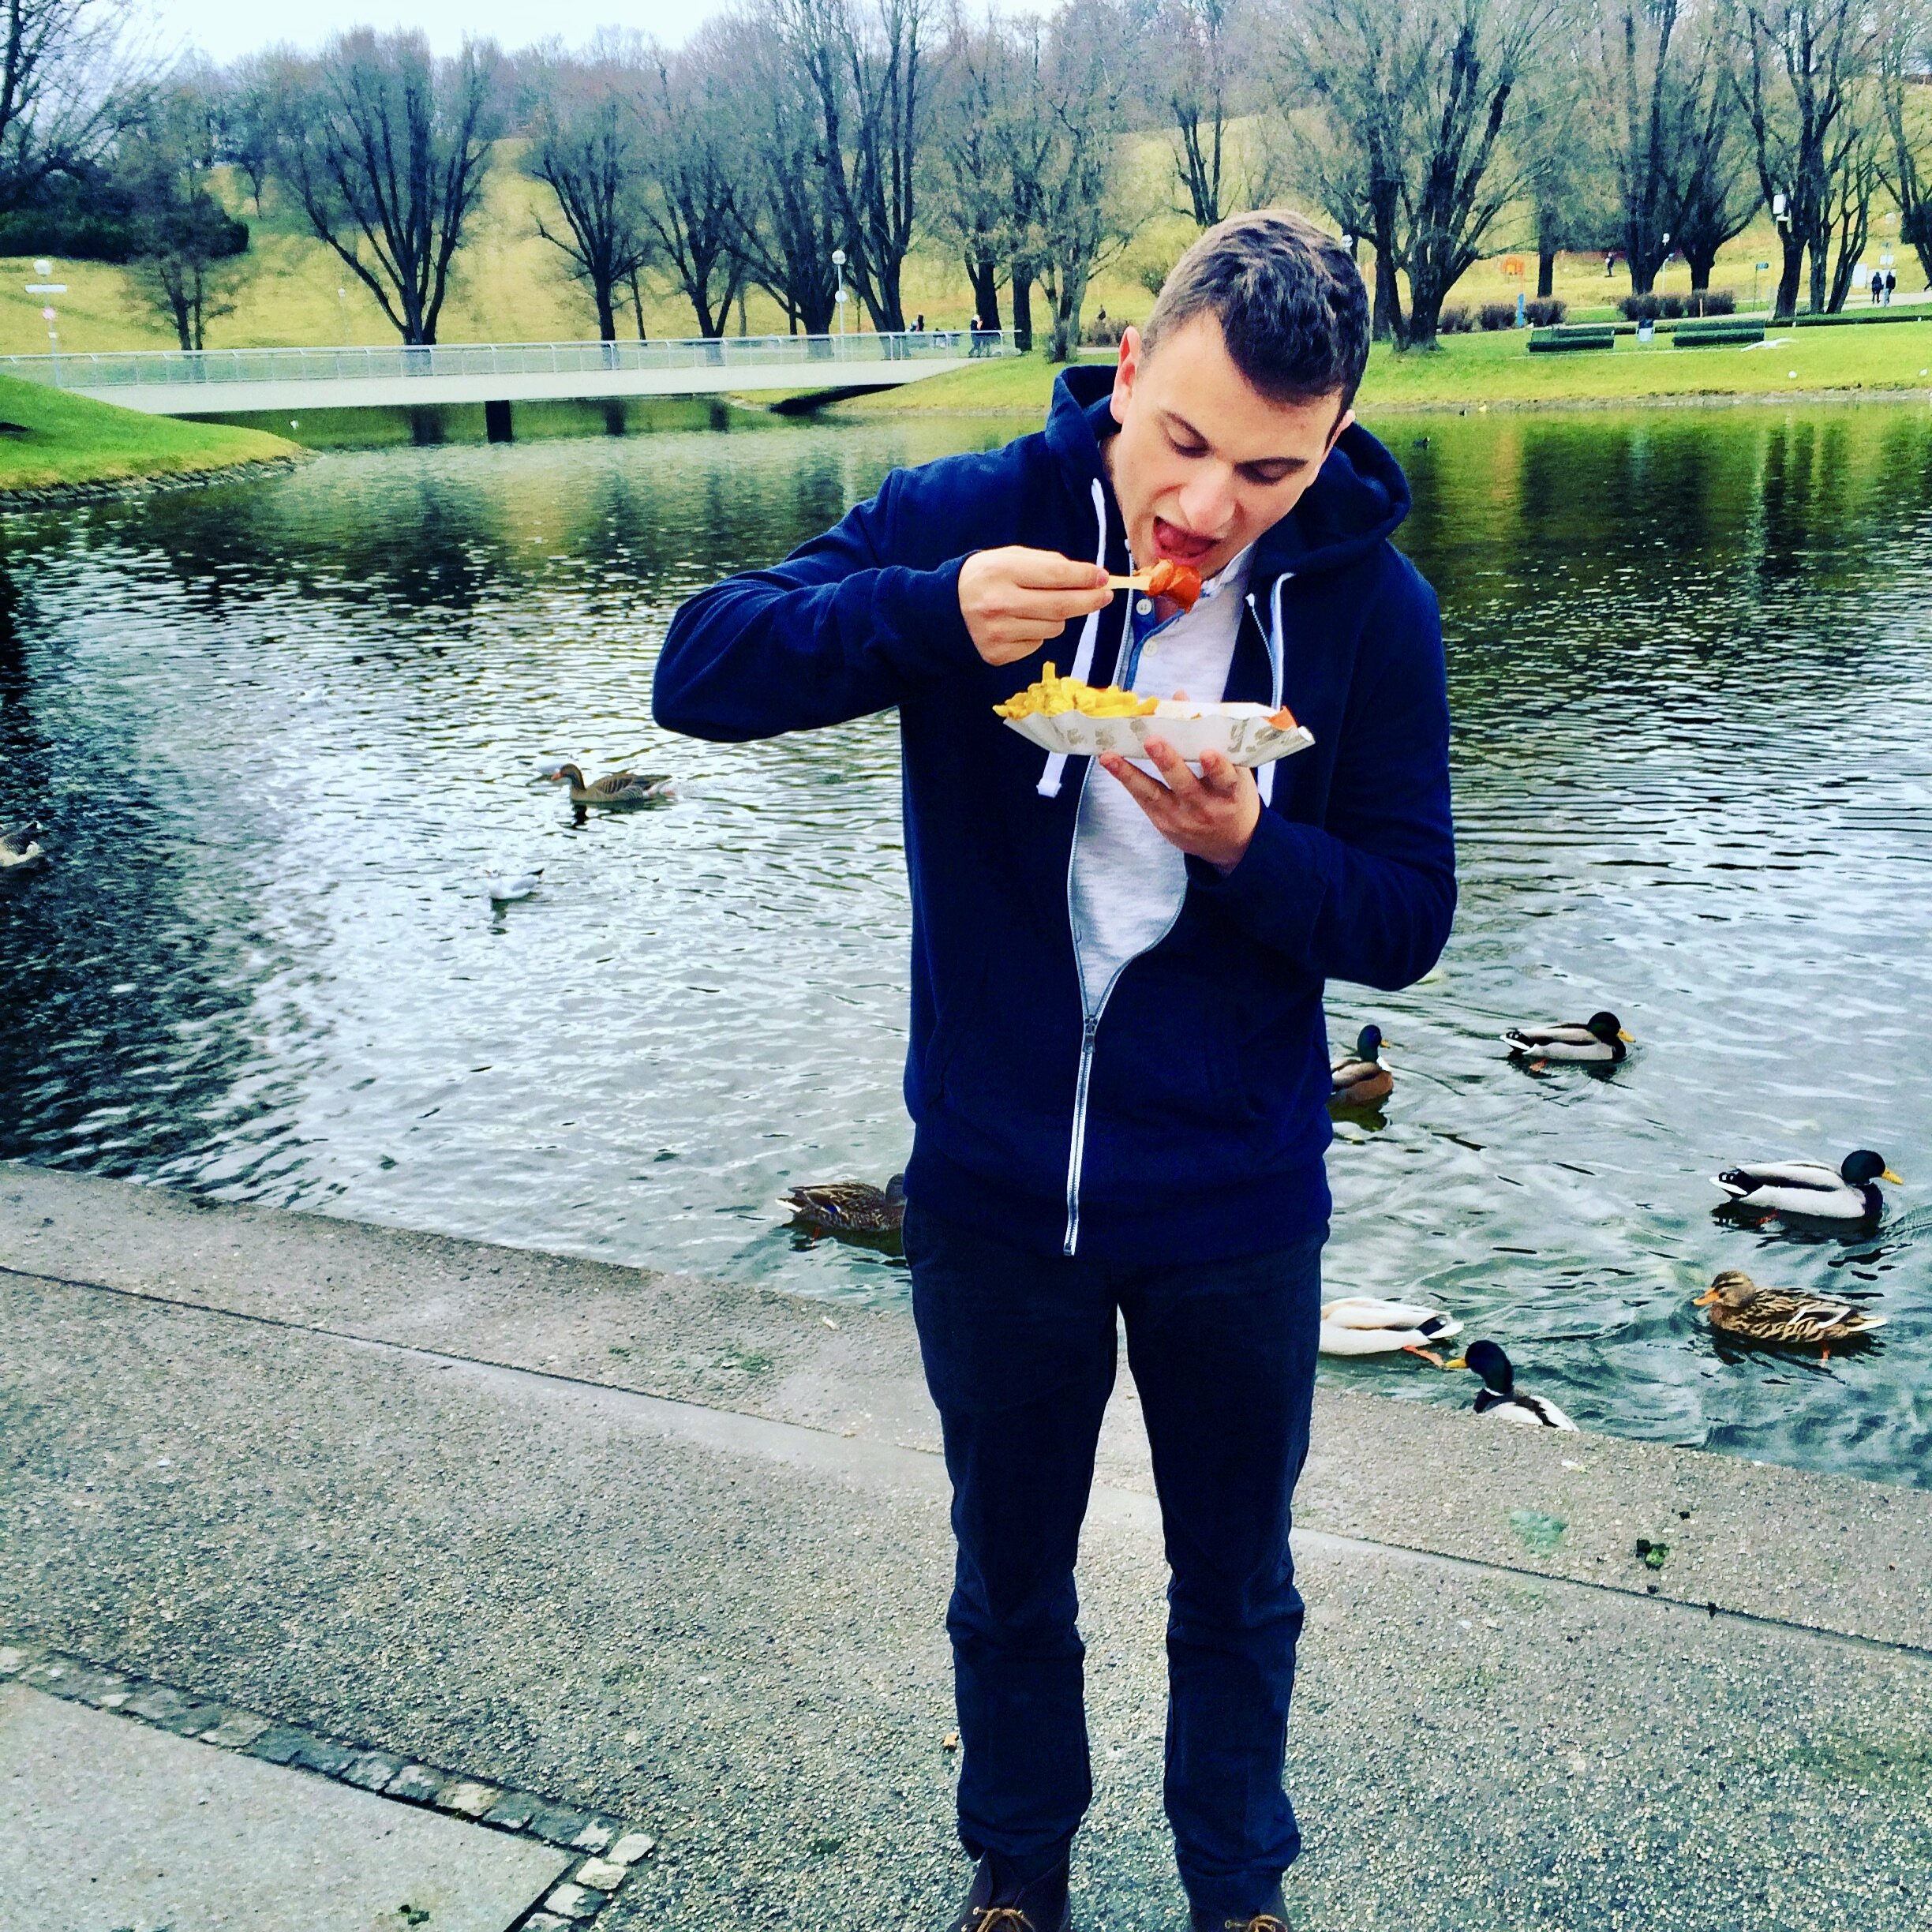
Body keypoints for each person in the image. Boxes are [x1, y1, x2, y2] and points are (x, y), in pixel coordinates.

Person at [653, 209, 1455, 1932]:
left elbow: (1406, 919)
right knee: (1010, 1579)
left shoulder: (1373, 609)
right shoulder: (973, 522)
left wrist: (1254, 850)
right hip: (999, 1188)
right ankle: (1019, 1882)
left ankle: (1238, 1895)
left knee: (1235, 1589)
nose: (1213, 507)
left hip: (1238, 1204)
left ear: (1328, 443)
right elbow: (696, 672)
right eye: (1183, 442)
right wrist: (924, 616)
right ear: (1128, 369)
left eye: (1269, 467)